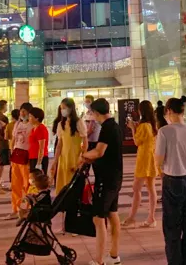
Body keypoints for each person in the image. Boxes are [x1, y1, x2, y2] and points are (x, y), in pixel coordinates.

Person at [155, 98, 186, 265]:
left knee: (172, 229)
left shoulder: (164, 131)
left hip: (173, 179)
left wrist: (162, 173)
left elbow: (159, 160)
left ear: (168, 111)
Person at [82, 98, 123, 265]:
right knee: (112, 214)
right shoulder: (115, 126)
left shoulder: (107, 127)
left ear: (96, 113)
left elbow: (99, 152)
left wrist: (82, 156)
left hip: (106, 179)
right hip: (115, 177)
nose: (92, 116)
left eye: (92, 113)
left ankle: (99, 260)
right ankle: (114, 256)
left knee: (98, 219)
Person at [122, 99, 158, 228]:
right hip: (151, 158)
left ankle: (132, 218)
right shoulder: (153, 125)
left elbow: (137, 141)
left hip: (143, 159)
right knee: (151, 188)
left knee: (136, 188)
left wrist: (132, 128)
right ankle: (151, 218)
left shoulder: (143, 126)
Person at [50, 98, 87, 195]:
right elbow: (59, 145)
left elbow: (85, 141)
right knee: (63, 183)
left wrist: (82, 157)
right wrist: (55, 161)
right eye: (61, 108)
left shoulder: (79, 122)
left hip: (75, 157)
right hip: (63, 157)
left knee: (73, 183)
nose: (62, 110)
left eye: (64, 108)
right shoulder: (60, 124)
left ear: (71, 108)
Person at [9, 102, 33, 220]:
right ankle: (16, 209)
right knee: (15, 185)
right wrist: (11, 152)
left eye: (24, 111)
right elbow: (13, 139)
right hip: (16, 156)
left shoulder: (32, 125)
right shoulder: (17, 124)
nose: (22, 113)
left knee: (27, 184)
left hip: (26, 157)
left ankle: (28, 209)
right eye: (21, 111)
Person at [28, 107, 49, 174]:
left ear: (36, 118)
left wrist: (39, 163)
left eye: (30, 116)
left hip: (39, 158)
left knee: (39, 178)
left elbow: (41, 147)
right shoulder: (33, 129)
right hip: (33, 157)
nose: (29, 118)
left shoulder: (41, 129)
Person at [0, 100, 11, 188]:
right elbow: (6, 131)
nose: (7, 108)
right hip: (2, 143)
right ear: (4, 106)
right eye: (6, 106)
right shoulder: (4, 118)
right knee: (1, 164)